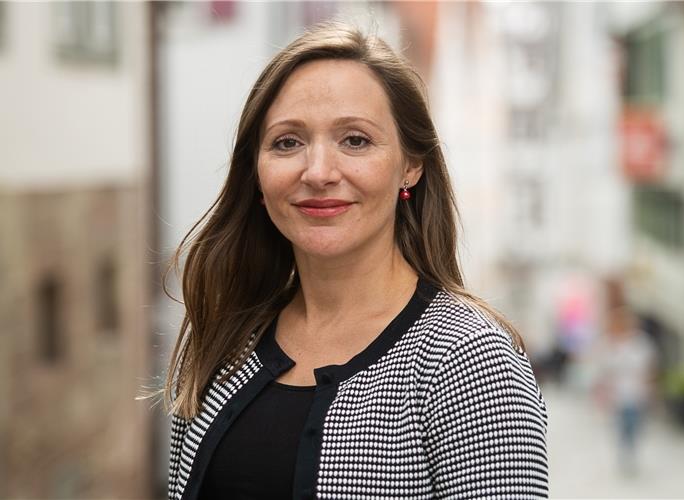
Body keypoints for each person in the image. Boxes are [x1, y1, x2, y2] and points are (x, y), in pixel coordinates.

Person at [164, 21, 549, 500]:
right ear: (256, 174)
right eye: (287, 142)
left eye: (355, 140)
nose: (319, 171)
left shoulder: (468, 361)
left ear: (411, 164)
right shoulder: (224, 337)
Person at [592, 306, 657, 477]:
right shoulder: (608, 344)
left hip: (636, 392)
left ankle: (631, 452)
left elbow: (649, 367)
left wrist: (650, 388)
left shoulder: (641, 343)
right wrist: (603, 392)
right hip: (617, 395)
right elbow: (602, 371)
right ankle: (624, 456)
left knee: (634, 425)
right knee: (621, 426)